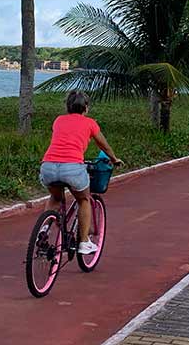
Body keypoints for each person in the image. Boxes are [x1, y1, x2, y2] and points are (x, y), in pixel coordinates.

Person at [39, 91, 122, 255]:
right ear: (86, 107)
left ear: (67, 106)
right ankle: (84, 242)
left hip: (47, 166)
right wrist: (114, 159)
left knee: (56, 197)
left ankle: (43, 230)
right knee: (84, 199)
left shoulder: (58, 120)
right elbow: (103, 145)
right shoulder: (90, 123)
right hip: (72, 167)